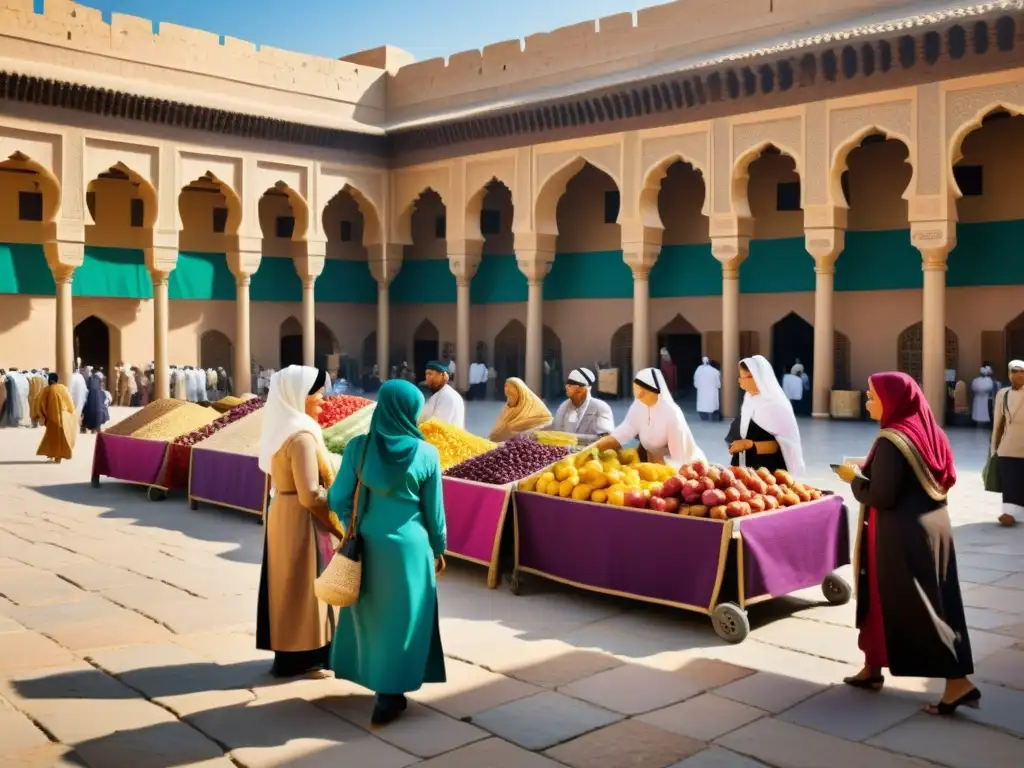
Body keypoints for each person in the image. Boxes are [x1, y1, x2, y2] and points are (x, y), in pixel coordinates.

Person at [833, 372, 977, 715]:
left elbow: (881, 495)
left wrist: (853, 479)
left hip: (898, 538)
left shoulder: (892, 439)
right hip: (931, 529)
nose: (867, 401)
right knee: (922, 602)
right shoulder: (928, 432)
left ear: (893, 401)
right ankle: (873, 666)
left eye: (872, 396)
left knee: (919, 608)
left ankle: (958, 683)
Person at [328, 379, 447, 726]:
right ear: (410, 410)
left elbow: (337, 498)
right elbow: (434, 513)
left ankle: (379, 685)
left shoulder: (358, 448)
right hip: (411, 550)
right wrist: (439, 549)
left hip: (367, 546)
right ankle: (392, 694)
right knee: (408, 619)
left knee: (374, 617)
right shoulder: (426, 453)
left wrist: (352, 525)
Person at [256, 365, 346, 679]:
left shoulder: (281, 428)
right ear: (300, 395)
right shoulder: (302, 437)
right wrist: (337, 525)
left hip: (283, 512)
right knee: (307, 588)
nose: (323, 399)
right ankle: (308, 655)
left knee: (287, 586)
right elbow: (310, 495)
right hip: (302, 519)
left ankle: (289, 654)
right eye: (317, 392)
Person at [585, 368, 704, 469]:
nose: (639, 394)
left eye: (644, 390)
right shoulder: (639, 406)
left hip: (684, 471)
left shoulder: (672, 414)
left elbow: (679, 461)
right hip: (652, 468)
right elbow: (624, 431)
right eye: (637, 389)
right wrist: (591, 450)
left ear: (657, 391)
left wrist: (645, 469)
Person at [727, 355, 805, 475]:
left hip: (768, 472)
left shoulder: (776, 405)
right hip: (745, 469)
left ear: (758, 378)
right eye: (740, 377)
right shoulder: (749, 399)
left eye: (744, 377)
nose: (740, 381)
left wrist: (749, 444)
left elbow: (781, 445)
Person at [992, 360, 1024, 527]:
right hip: (1007, 447)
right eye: (1015, 371)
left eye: (1022, 371)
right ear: (1009, 374)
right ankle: (1008, 513)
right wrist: (994, 449)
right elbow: (998, 423)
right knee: (1010, 482)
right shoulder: (1002, 394)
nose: (1019, 375)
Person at [550, 368, 615, 436]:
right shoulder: (564, 407)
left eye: (570, 385)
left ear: (582, 389)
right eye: (567, 384)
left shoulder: (600, 407)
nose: (566, 387)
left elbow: (606, 438)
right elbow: (556, 434)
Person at [489, 377, 551, 442]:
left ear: (520, 391)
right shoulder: (508, 407)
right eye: (506, 386)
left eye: (511, 387)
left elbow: (542, 426)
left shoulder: (533, 408)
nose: (507, 389)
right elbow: (497, 431)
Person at [36, 373, 77, 463]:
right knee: (63, 437)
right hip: (64, 417)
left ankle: (55, 455)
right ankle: (60, 456)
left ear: (49, 380)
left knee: (53, 438)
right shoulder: (63, 388)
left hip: (52, 418)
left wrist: (42, 416)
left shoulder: (46, 390)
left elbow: (41, 404)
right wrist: (71, 414)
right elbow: (70, 403)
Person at [418, 361, 465, 429]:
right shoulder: (440, 394)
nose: (427, 378)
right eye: (426, 375)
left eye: (430, 374)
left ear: (443, 376)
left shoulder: (447, 396)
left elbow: (438, 427)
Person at [693, 357, 721, 422]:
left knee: (702, 404)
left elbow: (695, 381)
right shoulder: (715, 372)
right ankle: (713, 417)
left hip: (702, 391)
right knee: (712, 405)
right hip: (712, 391)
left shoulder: (698, 370)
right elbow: (718, 384)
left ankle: (704, 417)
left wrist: (698, 386)